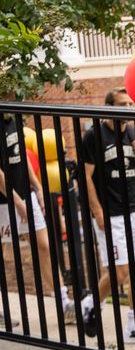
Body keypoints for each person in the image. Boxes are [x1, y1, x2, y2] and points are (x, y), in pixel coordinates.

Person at [79, 88, 135, 343]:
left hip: (134, 209)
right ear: (109, 106)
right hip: (109, 214)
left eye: (130, 103)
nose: (128, 108)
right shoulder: (94, 136)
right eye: (123, 104)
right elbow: (84, 177)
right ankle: (92, 303)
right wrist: (97, 210)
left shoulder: (133, 131)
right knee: (119, 273)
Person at [0, 114, 74, 326]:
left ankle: (64, 302)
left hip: (25, 193)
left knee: (44, 246)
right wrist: (17, 203)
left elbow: (21, 155)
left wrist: (38, 186)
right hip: (4, 200)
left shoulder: (12, 120)